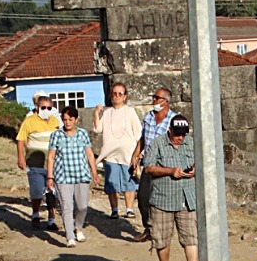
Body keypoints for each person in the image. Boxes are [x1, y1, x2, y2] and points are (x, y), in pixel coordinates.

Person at [142, 113, 199, 261]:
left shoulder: (190, 142)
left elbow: (202, 161)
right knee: (162, 237)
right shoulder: (158, 143)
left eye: (183, 134)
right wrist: (170, 171)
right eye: (177, 134)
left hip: (186, 198)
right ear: (170, 130)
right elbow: (148, 168)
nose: (180, 138)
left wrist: (195, 169)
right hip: (162, 199)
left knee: (191, 237)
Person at [45, 105, 100, 245]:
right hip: (63, 176)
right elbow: (51, 157)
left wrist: (94, 172)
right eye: (65, 119)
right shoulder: (56, 135)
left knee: (82, 206)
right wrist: (50, 176)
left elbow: (89, 154)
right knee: (66, 206)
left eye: (70, 119)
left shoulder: (82, 134)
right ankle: (69, 236)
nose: (67, 122)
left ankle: (78, 228)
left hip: (81, 174)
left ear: (76, 119)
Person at [128, 86, 175, 242]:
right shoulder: (148, 117)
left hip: (165, 166)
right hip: (148, 165)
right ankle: (149, 229)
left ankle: (163, 231)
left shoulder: (174, 120)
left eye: (157, 98)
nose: (154, 100)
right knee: (143, 198)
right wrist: (135, 157)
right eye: (153, 97)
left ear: (166, 101)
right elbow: (142, 139)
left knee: (163, 201)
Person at [93, 83, 142, 225]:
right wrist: (97, 112)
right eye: (114, 93)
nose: (117, 96)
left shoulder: (130, 111)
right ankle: (114, 209)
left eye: (120, 94)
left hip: (128, 154)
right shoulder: (108, 113)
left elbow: (138, 133)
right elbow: (98, 129)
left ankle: (129, 208)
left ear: (125, 96)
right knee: (112, 183)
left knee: (129, 182)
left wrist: (138, 153)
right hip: (110, 154)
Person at [14, 92, 62, 229]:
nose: (46, 111)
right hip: (35, 163)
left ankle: (51, 219)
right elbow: (20, 139)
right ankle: (35, 214)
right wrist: (21, 157)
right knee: (37, 191)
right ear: (37, 107)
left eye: (49, 108)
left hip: (53, 163)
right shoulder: (29, 121)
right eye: (43, 108)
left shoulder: (54, 121)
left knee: (52, 191)